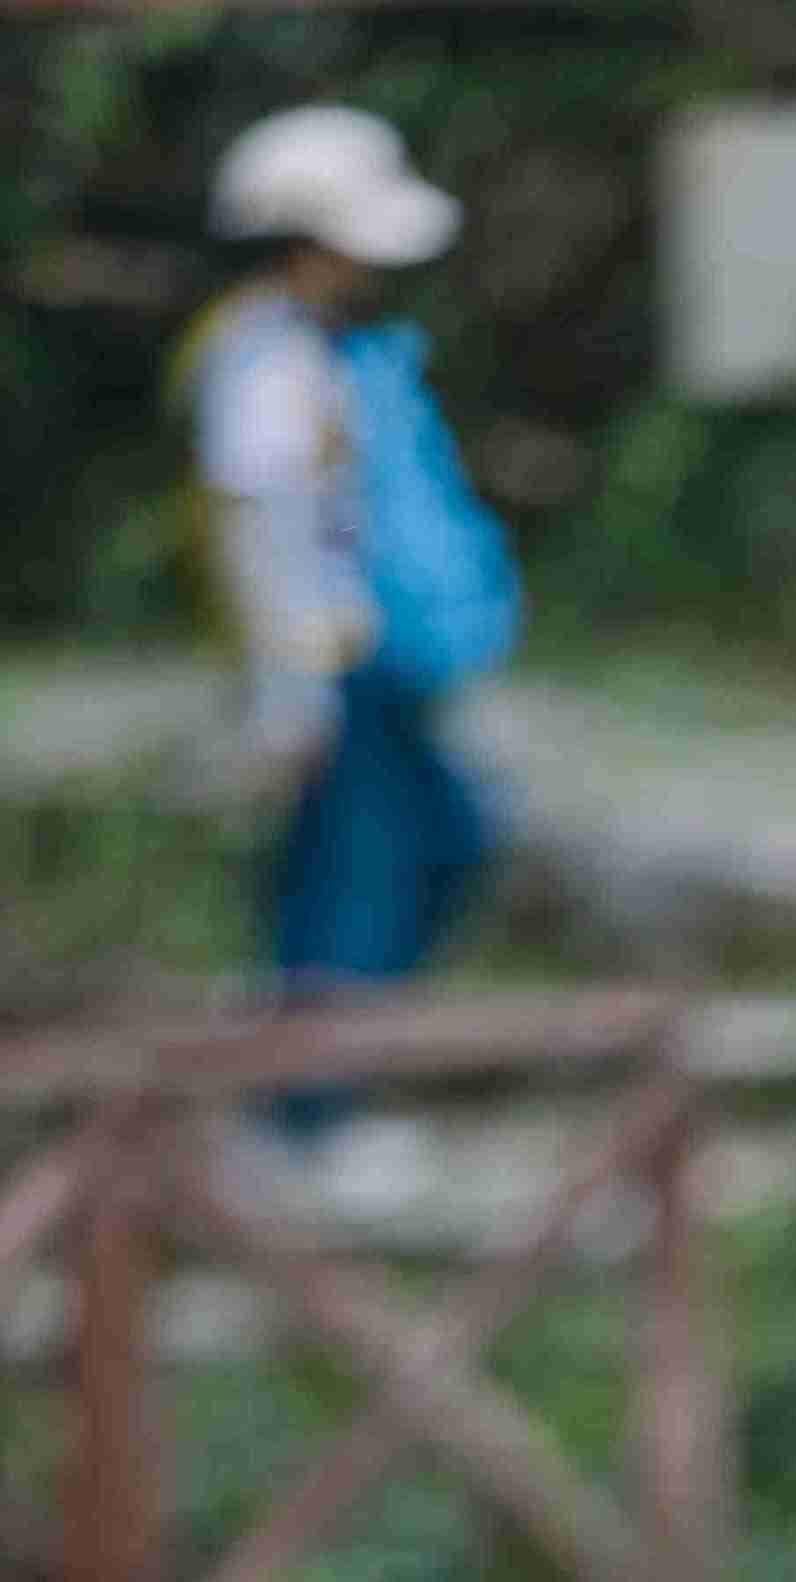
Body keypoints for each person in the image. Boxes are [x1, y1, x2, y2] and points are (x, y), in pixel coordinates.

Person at [178, 109, 520, 1036]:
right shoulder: (267, 365)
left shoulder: (340, 351)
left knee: (444, 845)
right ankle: (303, 1117)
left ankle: (311, 1089)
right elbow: (264, 534)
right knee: (349, 890)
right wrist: (290, 700)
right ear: (304, 243)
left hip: (374, 667)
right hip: (329, 678)